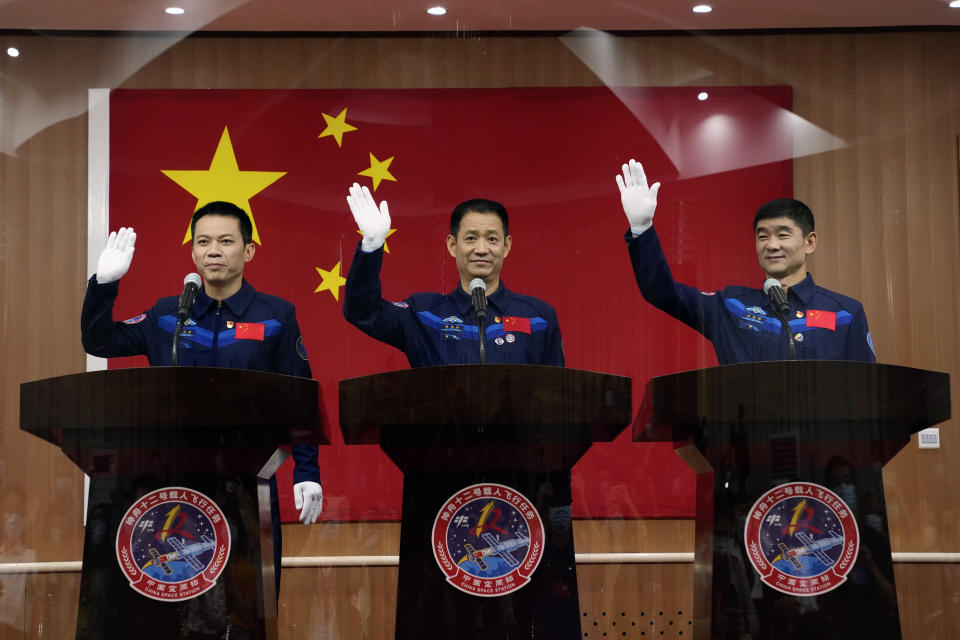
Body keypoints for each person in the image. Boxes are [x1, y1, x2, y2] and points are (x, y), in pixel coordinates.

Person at [80, 200, 323, 597]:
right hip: (172, 485)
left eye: (226, 241)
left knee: (250, 600)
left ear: (248, 251)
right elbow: (99, 340)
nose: (213, 250)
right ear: (192, 251)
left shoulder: (276, 315)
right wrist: (104, 285)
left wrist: (307, 470)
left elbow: (301, 397)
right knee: (180, 598)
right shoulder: (167, 315)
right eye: (204, 241)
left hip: (249, 483)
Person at [616, 159, 876, 364]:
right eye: (762, 236)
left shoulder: (845, 313)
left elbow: (867, 392)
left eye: (783, 235)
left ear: (810, 242)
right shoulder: (731, 306)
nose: (771, 245)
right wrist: (642, 229)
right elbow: (662, 293)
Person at [342, 183, 563, 366]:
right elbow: (362, 311)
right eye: (471, 238)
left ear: (506, 246)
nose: (482, 248)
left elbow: (558, 399)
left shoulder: (539, 318)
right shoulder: (423, 314)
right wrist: (371, 245)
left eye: (492, 239)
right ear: (452, 245)